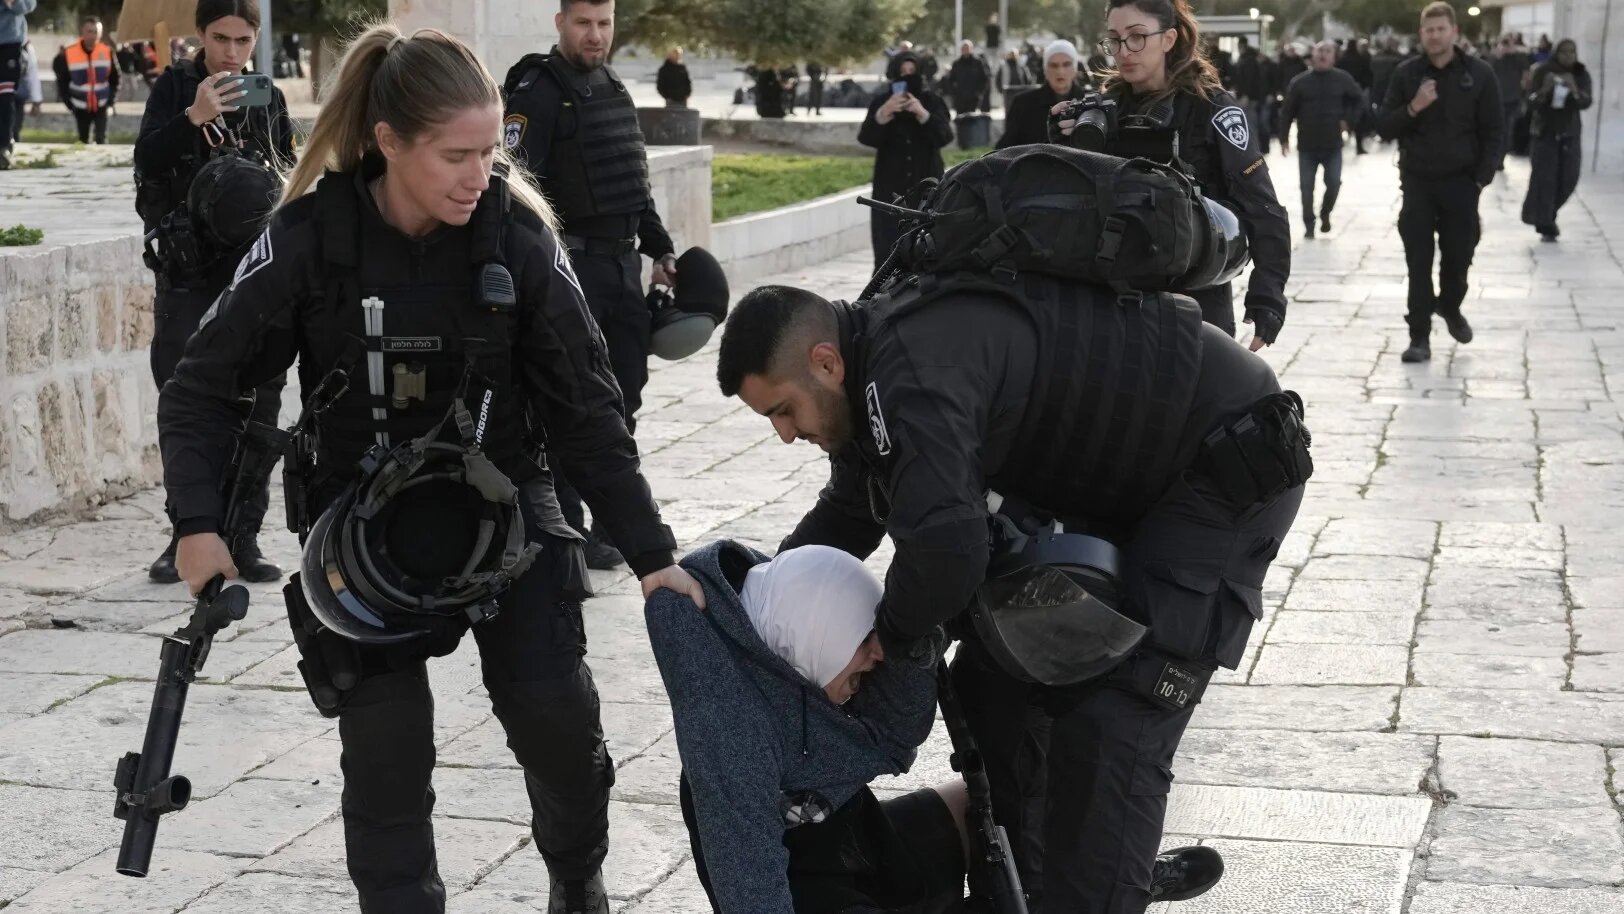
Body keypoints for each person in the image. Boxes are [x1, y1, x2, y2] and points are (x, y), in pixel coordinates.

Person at [157, 22, 702, 914]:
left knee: (557, 724)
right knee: (387, 756)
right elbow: (201, 389)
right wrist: (197, 525)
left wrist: (651, 554)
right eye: (456, 156)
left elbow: (587, 412)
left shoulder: (518, 239)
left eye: (490, 153)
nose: (480, 175)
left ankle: (578, 878)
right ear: (388, 142)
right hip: (362, 531)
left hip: (506, 506)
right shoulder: (309, 238)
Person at [715, 273, 1307, 911]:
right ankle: (1029, 891)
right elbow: (851, 510)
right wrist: (744, 598)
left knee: (1116, 722)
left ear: (825, 363)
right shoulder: (869, 376)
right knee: (994, 689)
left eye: (782, 410)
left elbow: (947, 552)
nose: (784, 433)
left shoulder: (909, 377)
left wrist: (887, 638)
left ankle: (1101, 891)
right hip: (1125, 476)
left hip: (1223, 453)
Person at [649, 542, 968, 913]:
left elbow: (895, 734)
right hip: (809, 893)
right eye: (865, 639)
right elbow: (749, 883)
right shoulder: (732, 732)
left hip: (860, 849)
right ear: (817, 636)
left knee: (993, 806)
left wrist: (911, 640)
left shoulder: (789, 661)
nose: (879, 654)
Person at [501, 0, 681, 570]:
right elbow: (514, 186)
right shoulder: (538, 91)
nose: (596, 35)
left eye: (604, 23)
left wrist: (660, 247)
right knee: (572, 399)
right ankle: (568, 530)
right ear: (561, 24)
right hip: (569, 269)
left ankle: (613, 525)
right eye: (584, 23)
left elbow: (632, 182)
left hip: (622, 269)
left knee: (624, 396)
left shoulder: (614, 88)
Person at [135, 0, 296, 585]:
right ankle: (187, 534)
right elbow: (146, 160)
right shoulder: (176, 88)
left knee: (261, 402)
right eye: (221, 38)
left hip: (254, 271)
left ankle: (243, 535)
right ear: (201, 35)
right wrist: (192, 118)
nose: (231, 52)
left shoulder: (266, 97)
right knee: (185, 401)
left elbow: (291, 175)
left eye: (242, 40)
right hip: (189, 272)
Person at [1068, 0, 1291, 348]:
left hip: (1195, 299)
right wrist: (1066, 144)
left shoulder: (1212, 108)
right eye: (1114, 39)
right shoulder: (1103, 110)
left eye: (1137, 37)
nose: (1124, 51)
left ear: (1169, 39)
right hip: (1113, 298)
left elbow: (1262, 205)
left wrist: (1267, 297)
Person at [1376, 1, 1502, 364]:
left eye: (1440, 29)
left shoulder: (1479, 74)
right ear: (1421, 34)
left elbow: (1494, 129)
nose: (1434, 36)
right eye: (1428, 30)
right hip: (1418, 181)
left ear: (1454, 32)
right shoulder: (1407, 74)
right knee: (1418, 260)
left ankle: (1449, 305)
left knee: (1459, 255)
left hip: (1462, 182)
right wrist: (1414, 107)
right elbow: (1384, 126)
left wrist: (1481, 177)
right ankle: (1419, 336)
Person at [858, 50, 951, 268]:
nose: (907, 75)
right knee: (887, 245)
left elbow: (944, 136)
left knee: (927, 244)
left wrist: (922, 114)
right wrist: (883, 114)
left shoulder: (931, 101)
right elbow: (866, 137)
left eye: (912, 70)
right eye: (903, 71)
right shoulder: (882, 101)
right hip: (890, 185)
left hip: (926, 184)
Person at [1280, 40, 1364, 238]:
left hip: (1332, 143)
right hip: (1307, 144)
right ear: (1313, 55)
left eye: (1327, 51)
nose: (1323, 54)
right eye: (1319, 51)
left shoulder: (1343, 79)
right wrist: (1284, 138)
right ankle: (1309, 225)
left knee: (1333, 183)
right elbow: (1287, 111)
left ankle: (1325, 212)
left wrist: (1349, 121)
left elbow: (1358, 100)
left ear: (1334, 57)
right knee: (1306, 187)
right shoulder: (1300, 82)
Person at [1521, 39, 1590, 242]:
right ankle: (1545, 223)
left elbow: (1586, 101)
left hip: (1569, 133)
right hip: (1545, 133)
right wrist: (1544, 89)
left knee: (1569, 178)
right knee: (1545, 180)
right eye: (1564, 52)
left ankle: (1546, 214)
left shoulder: (1580, 73)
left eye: (1572, 52)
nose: (1568, 56)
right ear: (1556, 53)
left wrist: (1574, 88)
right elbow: (1530, 103)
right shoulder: (1543, 71)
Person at [997, 39, 1086, 149]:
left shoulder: (1089, 100)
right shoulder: (1023, 104)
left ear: (1075, 68)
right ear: (1045, 69)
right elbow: (1005, 149)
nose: (1060, 71)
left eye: (1066, 64)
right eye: (1054, 65)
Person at [53, 15, 118, 144]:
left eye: (96, 32)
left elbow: (116, 78)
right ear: (82, 31)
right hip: (80, 104)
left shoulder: (107, 51)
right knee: (83, 140)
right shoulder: (69, 52)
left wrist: (111, 101)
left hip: (102, 103)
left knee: (101, 139)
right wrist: (69, 103)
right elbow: (62, 80)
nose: (93, 36)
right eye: (90, 31)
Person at [0, 0, 35, 169]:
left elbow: (29, 4)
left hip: (10, 45)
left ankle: (4, 146)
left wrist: (13, 2)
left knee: (5, 97)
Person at [1490, 33, 1531, 168]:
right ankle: (1494, 157)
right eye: (1504, 42)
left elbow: (1526, 74)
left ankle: (1500, 159)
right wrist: (1499, 53)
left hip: (1512, 99)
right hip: (1496, 99)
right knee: (1495, 129)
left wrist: (1514, 51)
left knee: (1507, 130)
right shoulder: (1494, 56)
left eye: (1508, 42)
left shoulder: (1519, 57)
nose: (1506, 45)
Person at [1336, 37, 1374, 153]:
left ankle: (1340, 141)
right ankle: (1359, 146)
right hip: (1358, 91)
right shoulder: (1361, 59)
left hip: (1343, 93)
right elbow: (1368, 75)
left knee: (1341, 116)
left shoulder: (1341, 60)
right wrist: (1366, 86)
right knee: (1359, 119)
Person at [1231, 36, 1268, 154]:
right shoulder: (1250, 58)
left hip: (1248, 98)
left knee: (1250, 125)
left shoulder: (1247, 60)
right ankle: (1254, 150)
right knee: (1250, 124)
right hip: (1250, 97)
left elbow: (1249, 79)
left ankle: (1254, 151)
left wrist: (1246, 95)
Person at [946, 40, 991, 115]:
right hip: (960, 99)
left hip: (973, 98)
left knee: (971, 119)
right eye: (963, 48)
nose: (965, 50)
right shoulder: (956, 64)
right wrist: (954, 94)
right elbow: (950, 80)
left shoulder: (978, 62)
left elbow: (985, 78)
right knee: (960, 119)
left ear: (971, 49)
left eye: (967, 48)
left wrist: (979, 93)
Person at [10, 37, 39, 142]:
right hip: (14, 92)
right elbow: (33, 75)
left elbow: (32, 74)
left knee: (13, 126)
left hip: (15, 94)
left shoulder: (26, 47)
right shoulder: (26, 47)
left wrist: (36, 101)